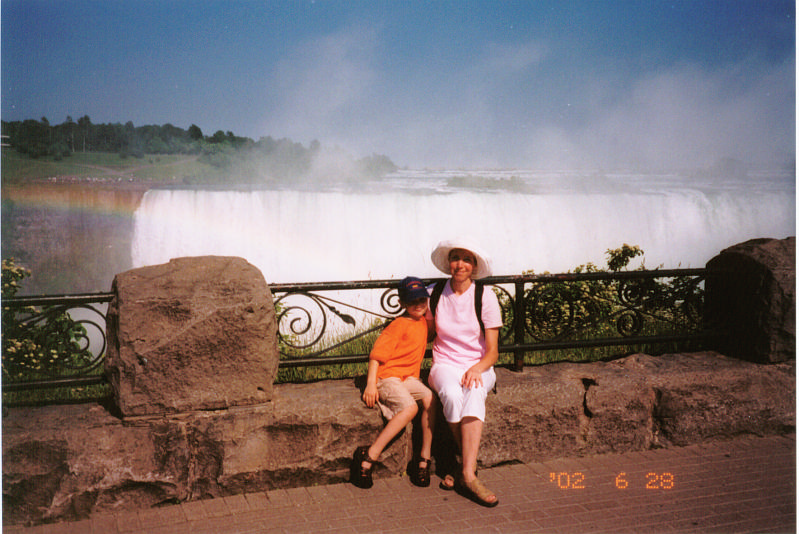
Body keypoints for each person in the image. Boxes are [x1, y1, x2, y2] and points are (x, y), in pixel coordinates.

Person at [426, 238, 502, 507]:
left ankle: (465, 473)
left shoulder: (485, 296)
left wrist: (476, 368)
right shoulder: (435, 293)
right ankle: (469, 470)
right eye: (456, 258)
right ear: (449, 262)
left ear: (474, 266)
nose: (460, 264)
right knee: (450, 393)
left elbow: (492, 351)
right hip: (444, 363)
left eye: (466, 260)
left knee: (475, 391)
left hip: (478, 363)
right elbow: (425, 331)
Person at [350, 276, 437, 489]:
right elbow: (376, 355)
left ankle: (423, 458)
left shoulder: (424, 323)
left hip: (407, 379)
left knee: (430, 399)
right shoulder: (398, 325)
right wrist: (371, 384)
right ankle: (369, 456)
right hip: (387, 377)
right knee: (409, 409)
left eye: (422, 301)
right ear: (402, 304)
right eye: (412, 301)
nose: (418, 306)